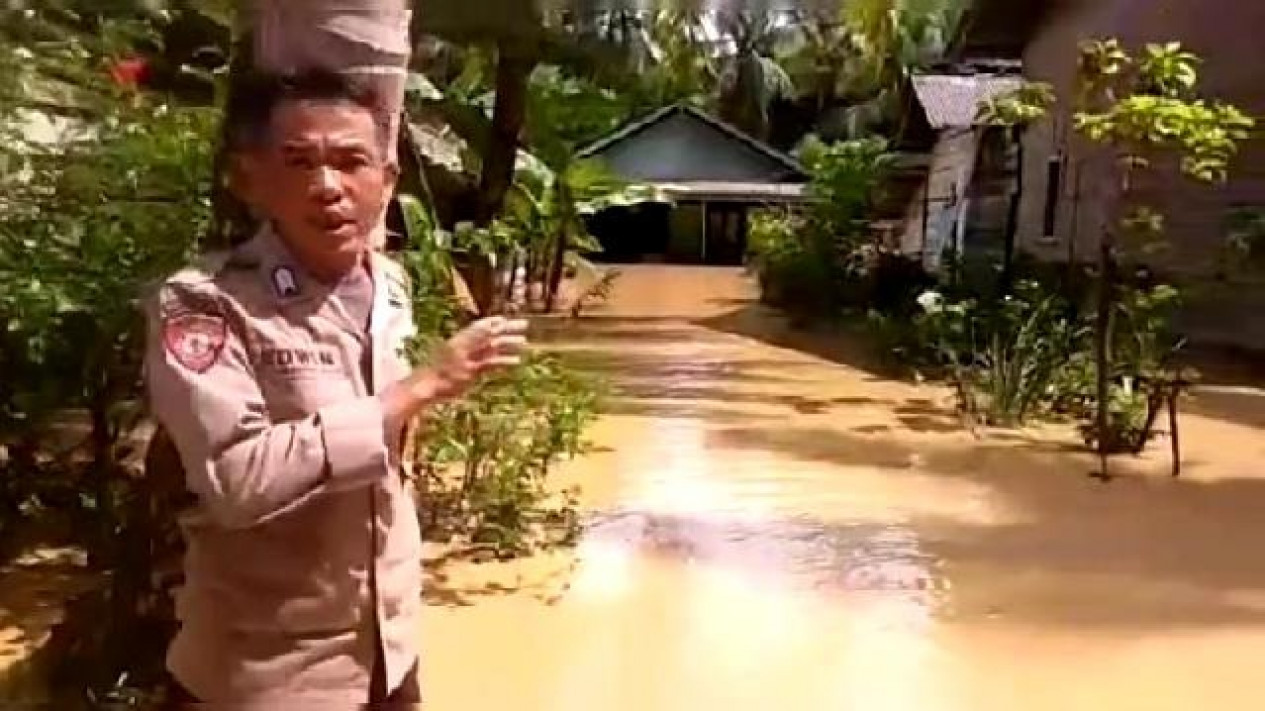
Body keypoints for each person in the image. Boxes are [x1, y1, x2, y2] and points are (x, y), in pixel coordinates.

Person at [143, 68, 527, 707]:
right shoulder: (204, 306)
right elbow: (236, 481)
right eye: (299, 163)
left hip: (390, 654)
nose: (327, 186)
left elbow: (397, 465)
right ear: (253, 179)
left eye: (351, 162)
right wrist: (421, 387)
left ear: (388, 181)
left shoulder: (395, 288)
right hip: (271, 673)